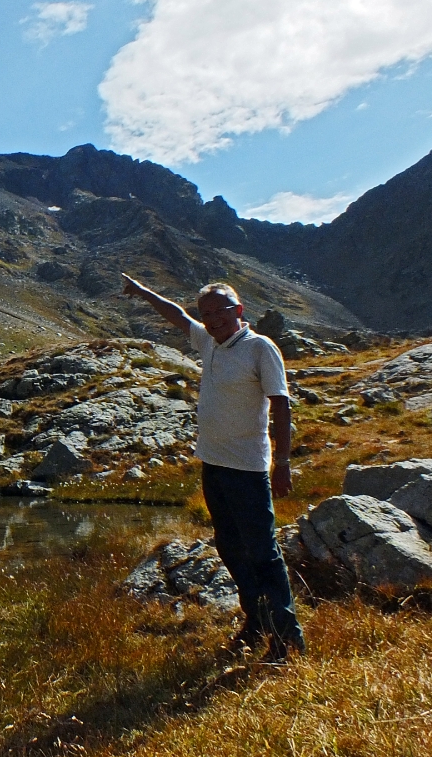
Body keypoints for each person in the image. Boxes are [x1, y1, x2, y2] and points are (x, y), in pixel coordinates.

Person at [121, 273, 306, 662]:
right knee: (230, 547)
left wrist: (283, 462)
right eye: (206, 314)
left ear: (238, 311)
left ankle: (287, 641)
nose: (212, 320)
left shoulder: (260, 348)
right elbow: (176, 315)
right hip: (214, 464)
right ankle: (256, 623)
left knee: (263, 552)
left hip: (248, 469)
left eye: (220, 313)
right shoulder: (210, 342)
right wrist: (141, 291)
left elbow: (282, 405)